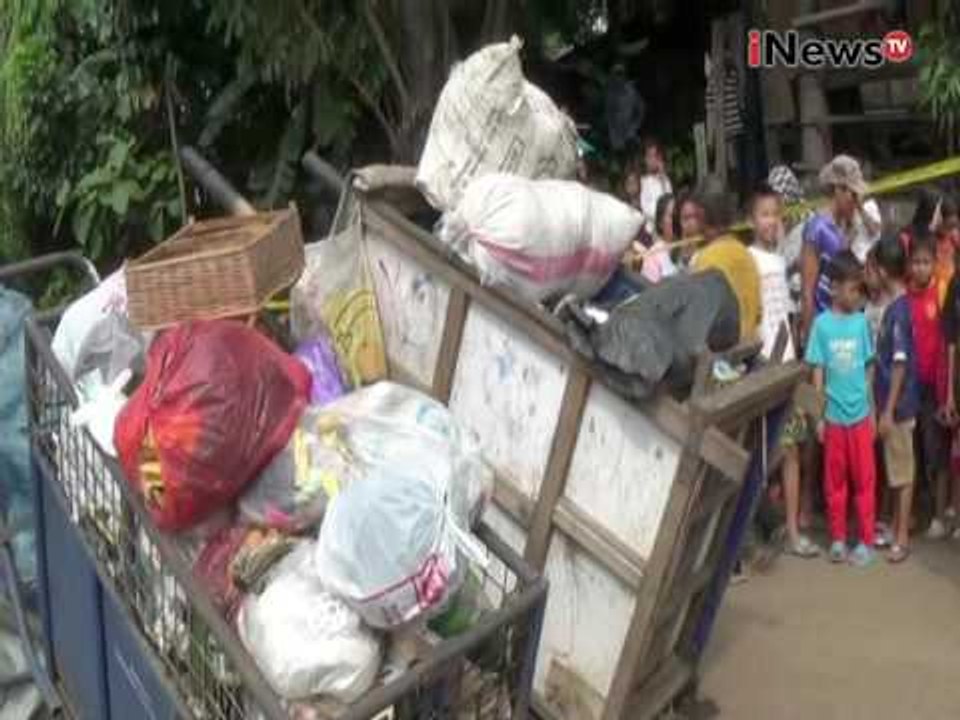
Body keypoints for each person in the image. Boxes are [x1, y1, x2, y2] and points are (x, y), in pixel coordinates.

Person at [805, 250, 876, 566]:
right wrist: (818, 416)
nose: (858, 294)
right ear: (834, 288)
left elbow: (869, 368)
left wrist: (872, 411)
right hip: (833, 417)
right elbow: (817, 370)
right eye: (852, 288)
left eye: (859, 288)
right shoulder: (821, 326)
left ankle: (865, 540)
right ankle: (837, 538)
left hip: (860, 417)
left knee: (864, 480)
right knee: (835, 482)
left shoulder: (862, 323)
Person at [873, 235, 920, 563]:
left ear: (882, 271)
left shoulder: (899, 312)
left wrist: (888, 410)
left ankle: (901, 535)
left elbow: (900, 364)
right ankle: (893, 527)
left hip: (899, 407)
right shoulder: (893, 307)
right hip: (890, 402)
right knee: (894, 467)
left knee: (902, 472)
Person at [907, 234, 953, 538]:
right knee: (913, 453)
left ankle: (939, 515)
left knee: (937, 452)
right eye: (917, 262)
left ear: (934, 264)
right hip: (911, 387)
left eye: (926, 262)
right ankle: (909, 515)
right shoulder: (905, 298)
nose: (921, 268)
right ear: (909, 265)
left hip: (935, 387)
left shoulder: (942, 293)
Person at [799, 155, 869, 346]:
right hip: (823, 325)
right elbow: (808, 290)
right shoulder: (816, 229)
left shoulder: (846, 226)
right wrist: (811, 340)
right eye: (853, 195)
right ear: (838, 189)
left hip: (844, 322)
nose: (856, 201)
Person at [691, 189, 762, 343]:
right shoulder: (746, 254)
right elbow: (758, 313)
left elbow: (700, 319)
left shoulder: (706, 260)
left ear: (702, 215)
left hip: (722, 357)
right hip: (750, 350)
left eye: (695, 216)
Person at [748, 183, 794, 360]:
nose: (772, 221)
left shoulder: (779, 259)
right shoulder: (749, 258)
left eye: (775, 214)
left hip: (786, 351)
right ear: (751, 221)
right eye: (765, 215)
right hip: (763, 354)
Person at [639, 193, 678, 283]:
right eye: (672, 216)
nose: (678, 220)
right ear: (660, 222)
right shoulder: (653, 256)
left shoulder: (694, 247)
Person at [639, 139, 673, 237]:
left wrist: (662, 180)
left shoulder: (666, 180)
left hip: (666, 228)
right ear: (645, 159)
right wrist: (661, 215)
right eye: (649, 156)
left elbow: (670, 200)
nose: (652, 160)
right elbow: (646, 208)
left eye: (656, 156)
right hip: (651, 231)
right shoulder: (643, 181)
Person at [673, 192, 706, 271]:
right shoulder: (674, 251)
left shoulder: (709, 248)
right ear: (678, 220)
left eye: (695, 216)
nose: (692, 223)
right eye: (686, 218)